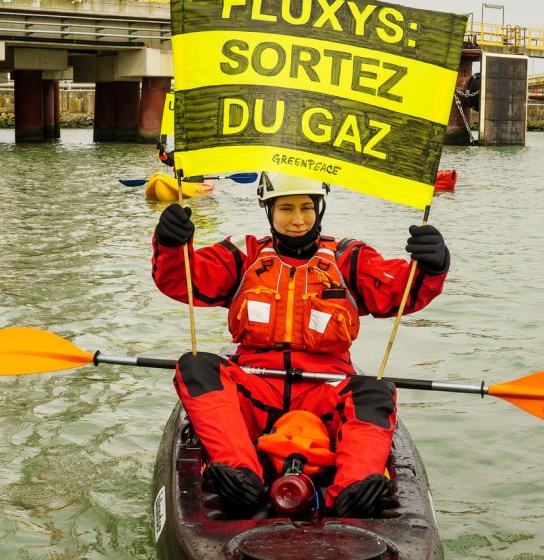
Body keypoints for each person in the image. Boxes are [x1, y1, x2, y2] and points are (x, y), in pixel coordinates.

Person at [150, 172, 451, 518]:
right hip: (255, 390)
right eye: (286, 209)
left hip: (325, 396)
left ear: (319, 209)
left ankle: (352, 489)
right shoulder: (243, 256)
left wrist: (432, 265)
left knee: (375, 390)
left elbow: (401, 291)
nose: (297, 219)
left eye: (307, 208)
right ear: (268, 211)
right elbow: (181, 279)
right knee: (195, 364)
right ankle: (240, 475)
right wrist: (171, 245)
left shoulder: (348, 258)